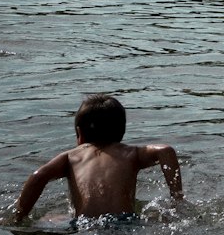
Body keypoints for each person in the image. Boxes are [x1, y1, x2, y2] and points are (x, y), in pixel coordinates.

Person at [14, 93, 183, 223]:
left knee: (50, 218)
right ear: (121, 131)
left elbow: (37, 178)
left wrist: (19, 217)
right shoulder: (131, 153)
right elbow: (166, 151)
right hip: (126, 223)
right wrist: (177, 199)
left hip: (85, 224)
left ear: (79, 134)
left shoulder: (71, 157)